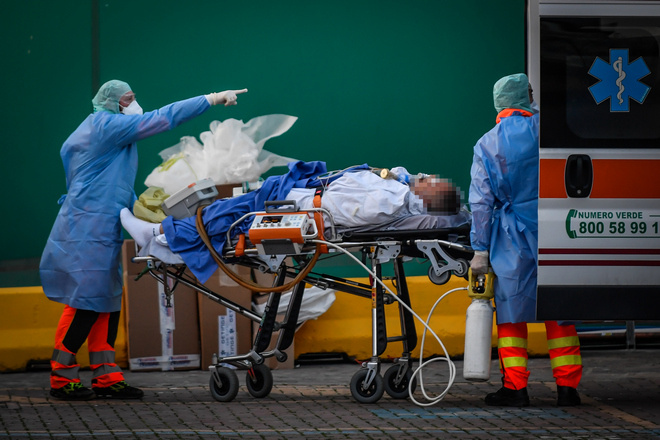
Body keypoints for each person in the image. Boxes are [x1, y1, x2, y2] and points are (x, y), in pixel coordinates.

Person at [39, 79, 247, 400]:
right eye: (128, 99)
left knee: (106, 300)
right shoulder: (106, 125)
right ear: (112, 102)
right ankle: (61, 376)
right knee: (86, 301)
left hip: (99, 226)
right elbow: (164, 117)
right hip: (88, 229)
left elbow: (109, 182)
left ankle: (106, 377)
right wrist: (211, 98)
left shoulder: (106, 133)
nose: (134, 103)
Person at [119, 161, 471, 284]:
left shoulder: (389, 200)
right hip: (308, 196)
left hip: (304, 206)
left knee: (226, 216)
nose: (426, 176)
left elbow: (344, 203)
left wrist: (304, 191)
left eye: (430, 181)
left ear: (428, 198)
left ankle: (161, 236)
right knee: (227, 209)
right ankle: (167, 236)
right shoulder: (399, 190)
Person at [469, 73, 582, 407]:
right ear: (527, 95)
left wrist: (480, 250)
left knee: (511, 311)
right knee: (559, 309)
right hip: (554, 229)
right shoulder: (550, 132)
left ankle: (515, 388)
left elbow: (481, 203)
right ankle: (568, 388)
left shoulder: (487, 144)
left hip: (510, 236)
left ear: (498, 102)